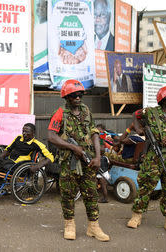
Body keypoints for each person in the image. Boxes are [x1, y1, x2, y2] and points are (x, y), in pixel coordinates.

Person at [47, 79, 110, 241]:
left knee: (91, 194)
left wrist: (97, 156)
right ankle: (69, 224)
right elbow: (51, 136)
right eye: (73, 95)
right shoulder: (60, 113)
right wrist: (73, 147)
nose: (77, 98)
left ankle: (93, 227)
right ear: (66, 97)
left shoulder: (86, 111)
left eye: (80, 94)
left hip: (88, 161)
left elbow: (95, 132)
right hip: (69, 162)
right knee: (67, 194)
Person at [127, 86, 166, 234]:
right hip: (153, 157)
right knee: (146, 187)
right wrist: (138, 128)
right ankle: (136, 215)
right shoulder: (150, 112)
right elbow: (135, 114)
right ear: (163, 100)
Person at [0, 123, 54, 191]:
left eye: (27, 132)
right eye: (23, 131)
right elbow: (8, 149)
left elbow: (50, 157)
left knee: (2, 168)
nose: (24, 134)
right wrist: (0, 158)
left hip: (19, 166)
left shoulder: (37, 144)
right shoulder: (18, 138)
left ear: (33, 133)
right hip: (9, 162)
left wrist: (37, 166)